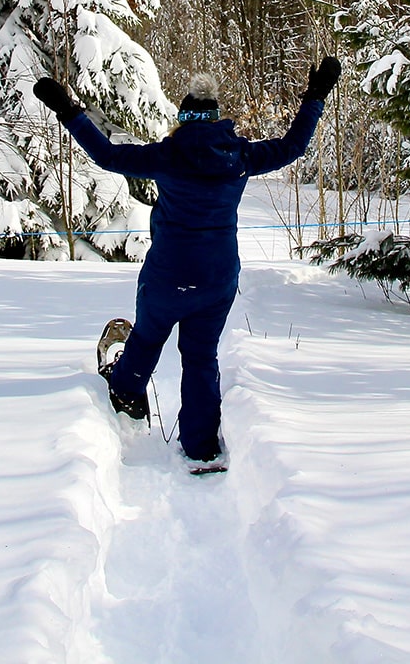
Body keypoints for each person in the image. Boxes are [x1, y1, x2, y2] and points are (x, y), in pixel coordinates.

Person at [32, 59, 341, 465]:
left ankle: (125, 394)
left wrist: (68, 109)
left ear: (182, 119)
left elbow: (106, 155)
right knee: (200, 356)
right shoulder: (240, 155)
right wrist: (315, 96)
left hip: (167, 276)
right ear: (215, 119)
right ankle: (200, 446)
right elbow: (292, 147)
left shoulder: (167, 155)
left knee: (146, 337)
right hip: (216, 280)